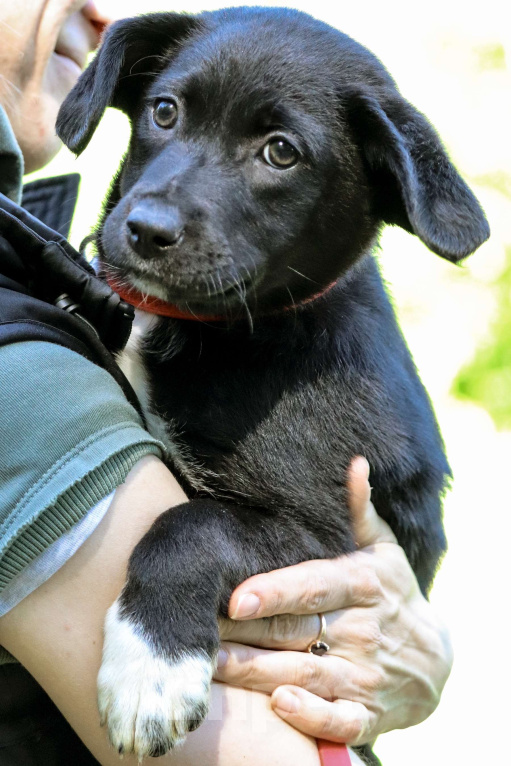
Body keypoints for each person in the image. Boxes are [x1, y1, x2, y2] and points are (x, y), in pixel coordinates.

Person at [0, 2, 453, 764]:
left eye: (278, 151)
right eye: (167, 112)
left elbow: (337, 539)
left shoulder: (330, 385)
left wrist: (417, 656)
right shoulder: (21, 370)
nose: (159, 209)